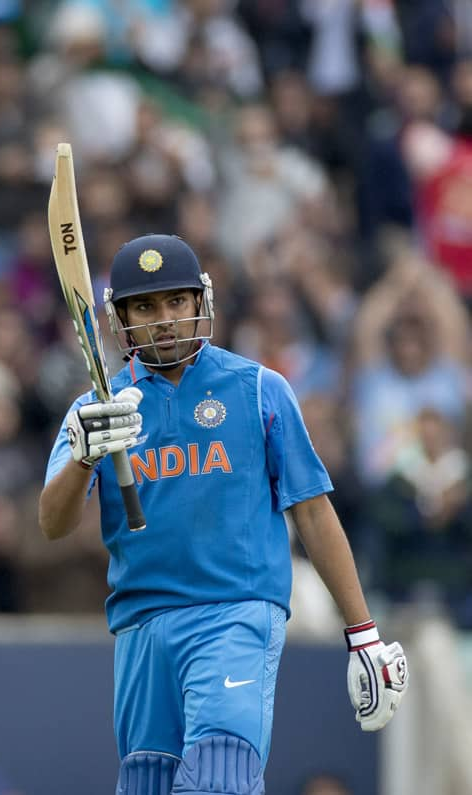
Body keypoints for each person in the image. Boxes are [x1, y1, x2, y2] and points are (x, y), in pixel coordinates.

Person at [38, 234, 409, 795]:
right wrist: (85, 459)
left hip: (234, 612)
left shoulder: (259, 389)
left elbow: (311, 512)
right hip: (141, 625)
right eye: (146, 306)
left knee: (219, 778)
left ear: (200, 302)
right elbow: (54, 523)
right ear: (121, 317)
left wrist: (363, 635)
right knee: (148, 785)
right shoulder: (95, 409)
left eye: (176, 302)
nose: (164, 319)